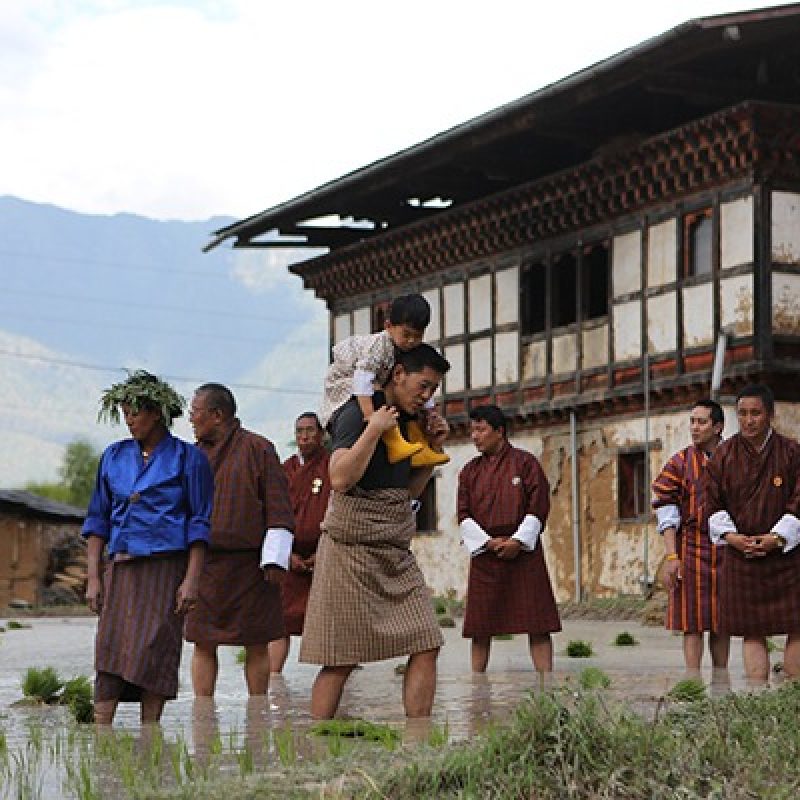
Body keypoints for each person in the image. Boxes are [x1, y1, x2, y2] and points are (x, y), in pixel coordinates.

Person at [300, 344, 451, 719]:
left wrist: (433, 447)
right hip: (350, 547)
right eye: (423, 385)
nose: (426, 395)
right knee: (340, 658)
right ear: (398, 374)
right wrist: (374, 430)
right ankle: (317, 747)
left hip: (394, 548)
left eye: (433, 389)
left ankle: (419, 741)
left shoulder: (410, 420)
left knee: (427, 640)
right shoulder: (355, 413)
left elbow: (409, 491)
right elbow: (339, 478)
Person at [82, 370, 213, 725]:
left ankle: (150, 735)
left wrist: (192, 580)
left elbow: (199, 523)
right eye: (124, 413)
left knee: (156, 647)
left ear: (156, 412)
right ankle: (101, 733)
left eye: (135, 413)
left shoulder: (189, 459)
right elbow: (98, 520)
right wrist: (94, 577)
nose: (129, 420)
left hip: (166, 569)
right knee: (109, 650)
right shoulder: (113, 456)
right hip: (121, 567)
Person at [185, 383, 294, 696]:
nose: (191, 419)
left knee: (257, 642)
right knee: (202, 643)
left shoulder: (258, 449)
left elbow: (279, 508)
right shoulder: (192, 456)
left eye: (196, 412)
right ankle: (202, 715)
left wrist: (275, 560)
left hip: (252, 566)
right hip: (203, 564)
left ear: (217, 415)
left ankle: (257, 714)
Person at [705, 383, 800, 681]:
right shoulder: (724, 455)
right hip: (740, 553)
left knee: (797, 624)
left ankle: (793, 696)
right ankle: (758, 697)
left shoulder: (791, 452)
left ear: (769, 414)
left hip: (786, 554)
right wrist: (732, 537)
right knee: (751, 628)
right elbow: (710, 500)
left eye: (755, 413)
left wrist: (778, 537)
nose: (748, 420)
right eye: (743, 413)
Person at [458, 404, 561, 673]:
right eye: (473, 430)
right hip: (485, 553)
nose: (475, 436)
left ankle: (545, 686)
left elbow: (538, 506)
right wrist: (487, 543)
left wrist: (518, 541)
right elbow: (463, 514)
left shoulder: (525, 463)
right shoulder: (469, 471)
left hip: (524, 553)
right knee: (480, 627)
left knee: (538, 623)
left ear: (499, 431)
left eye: (481, 430)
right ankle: (477, 687)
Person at [319, 293, 448, 467]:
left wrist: (431, 413)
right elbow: (362, 379)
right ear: (388, 326)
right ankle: (395, 443)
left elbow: (424, 388)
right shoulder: (378, 347)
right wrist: (370, 416)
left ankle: (422, 449)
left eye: (417, 336)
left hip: (369, 379)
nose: (411, 341)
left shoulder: (407, 350)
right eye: (406, 334)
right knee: (378, 393)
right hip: (347, 379)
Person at [652, 399, 730, 671]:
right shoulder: (680, 462)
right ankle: (692, 682)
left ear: (718, 427)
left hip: (727, 548)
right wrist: (672, 555)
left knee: (722, 620)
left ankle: (721, 682)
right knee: (691, 621)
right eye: (692, 422)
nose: (695, 428)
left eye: (702, 422)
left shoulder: (733, 458)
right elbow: (666, 510)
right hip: (691, 547)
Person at [269, 412, 331, 673]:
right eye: (299, 431)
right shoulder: (285, 469)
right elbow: (273, 511)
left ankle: (335, 681)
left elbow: (338, 509)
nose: (304, 436)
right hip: (290, 558)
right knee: (280, 622)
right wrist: (288, 554)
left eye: (309, 430)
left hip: (325, 556)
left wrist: (324, 551)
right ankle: (273, 684)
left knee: (328, 623)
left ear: (322, 434)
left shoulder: (331, 465)